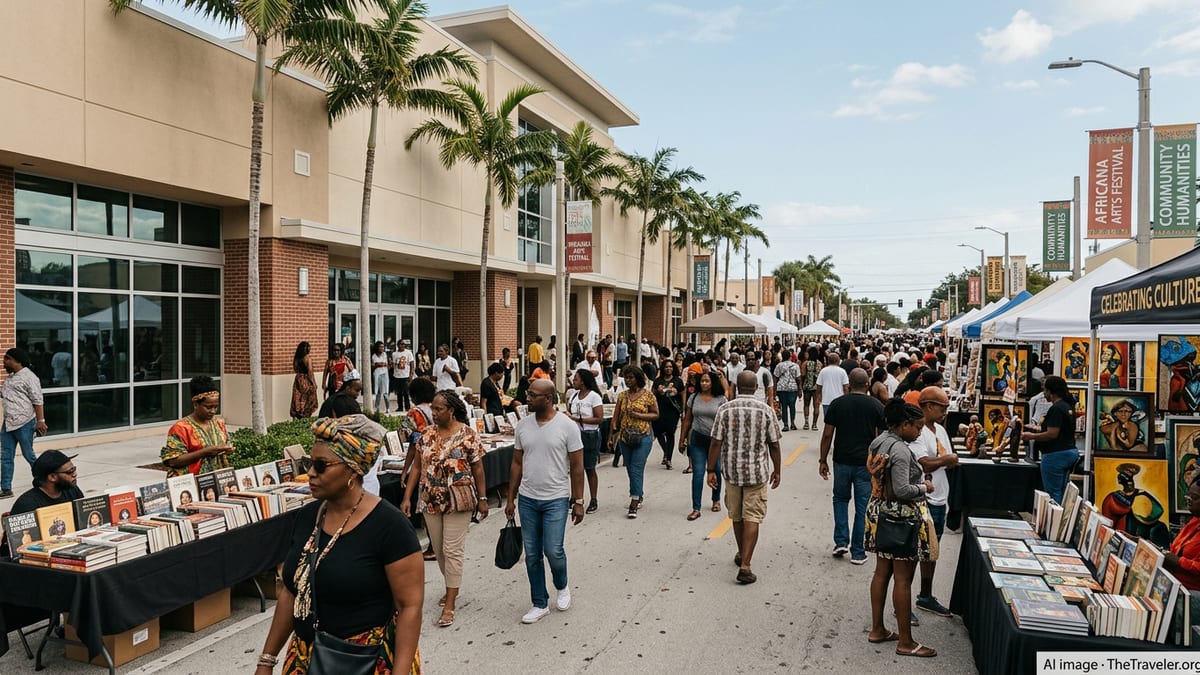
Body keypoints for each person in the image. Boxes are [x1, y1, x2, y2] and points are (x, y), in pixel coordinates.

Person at [257, 415, 423, 675]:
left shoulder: (390, 527)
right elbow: (292, 591)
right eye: (309, 463)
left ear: (352, 469)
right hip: (306, 657)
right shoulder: (307, 518)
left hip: (364, 660)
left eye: (321, 466)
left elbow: (409, 606)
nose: (310, 473)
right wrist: (267, 661)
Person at [400, 390, 488, 628]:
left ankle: (450, 602)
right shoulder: (426, 435)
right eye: (433, 409)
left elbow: (478, 468)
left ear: (451, 410)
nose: (434, 413)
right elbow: (417, 468)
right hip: (430, 499)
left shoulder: (468, 435)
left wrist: (482, 497)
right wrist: (407, 497)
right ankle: (452, 584)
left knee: (452, 549)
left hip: (459, 499)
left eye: (438, 409)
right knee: (439, 551)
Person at [505, 379, 585, 624]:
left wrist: (578, 499)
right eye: (528, 393)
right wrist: (510, 498)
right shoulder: (523, 426)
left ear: (548, 399)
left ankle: (562, 586)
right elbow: (517, 463)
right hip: (528, 498)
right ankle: (539, 602)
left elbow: (577, 465)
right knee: (532, 554)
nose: (527, 398)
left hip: (556, 498)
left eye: (532, 395)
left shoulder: (567, 426)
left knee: (553, 550)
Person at [864, 399, 937, 658]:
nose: (919, 432)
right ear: (904, 424)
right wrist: (925, 487)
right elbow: (903, 489)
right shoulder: (901, 450)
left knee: (881, 572)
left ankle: (877, 629)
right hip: (900, 517)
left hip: (879, 511)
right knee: (903, 578)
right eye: (917, 427)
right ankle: (906, 641)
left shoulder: (879, 441)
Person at [707, 371, 782, 585]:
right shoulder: (766, 410)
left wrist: (710, 469)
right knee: (753, 516)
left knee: (737, 515)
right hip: (757, 473)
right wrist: (777, 470)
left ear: (736, 387)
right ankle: (746, 565)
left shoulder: (725, 409)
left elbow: (715, 442)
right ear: (756, 386)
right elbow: (774, 444)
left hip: (731, 473)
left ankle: (741, 553)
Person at [818, 368, 885, 565]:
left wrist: (823, 459)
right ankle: (858, 551)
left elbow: (828, 434)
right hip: (866, 464)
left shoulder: (838, 404)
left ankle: (840, 541)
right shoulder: (876, 406)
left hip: (841, 461)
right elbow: (881, 438)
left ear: (848, 385)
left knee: (840, 499)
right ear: (867, 385)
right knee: (862, 506)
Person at [908, 386, 957, 618]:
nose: (945, 412)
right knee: (914, 553)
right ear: (928, 406)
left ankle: (925, 596)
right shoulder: (917, 431)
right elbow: (924, 463)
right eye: (942, 408)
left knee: (931, 552)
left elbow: (945, 457)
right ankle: (903, 604)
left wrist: (947, 459)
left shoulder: (938, 429)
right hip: (923, 499)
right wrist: (946, 459)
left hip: (939, 499)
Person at [607, 365, 659, 515]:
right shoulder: (622, 396)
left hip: (643, 436)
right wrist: (611, 436)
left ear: (638, 378)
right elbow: (615, 417)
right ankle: (639, 492)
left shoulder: (648, 395)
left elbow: (655, 414)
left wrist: (639, 415)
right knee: (629, 467)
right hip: (625, 437)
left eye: (631, 377)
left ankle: (634, 501)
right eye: (626, 378)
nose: (628, 380)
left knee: (636, 467)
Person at [1021, 376, 1080, 504]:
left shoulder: (1056, 408)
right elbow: (1060, 430)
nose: (1044, 393)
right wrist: (1036, 429)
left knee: (1053, 493)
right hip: (1068, 451)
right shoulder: (1067, 406)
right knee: (1062, 490)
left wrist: (1031, 436)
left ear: (1050, 391)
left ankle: (1054, 520)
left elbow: (1052, 434)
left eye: (1045, 390)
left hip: (1055, 454)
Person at [161, 376, 233, 477]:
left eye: (216, 407)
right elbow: (172, 461)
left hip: (216, 482)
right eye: (208, 407)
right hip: (190, 483)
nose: (213, 411)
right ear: (195, 404)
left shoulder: (218, 424)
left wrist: (228, 450)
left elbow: (227, 443)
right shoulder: (181, 428)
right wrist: (204, 452)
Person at [679, 371, 727, 521]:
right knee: (698, 473)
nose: (704, 384)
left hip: (715, 441)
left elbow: (726, 422)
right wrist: (682, 439)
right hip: (697, 439)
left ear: (713, 382)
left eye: (707, 381)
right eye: (702, 381)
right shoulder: (694, 398)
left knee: (716, 470)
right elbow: (687, 419)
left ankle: (716, 499)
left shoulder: (721, 399)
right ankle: (696, 508)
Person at [1, 348, 47, 498]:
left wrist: (40, 421)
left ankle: (43, 480)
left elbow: (38, 400)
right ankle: (6, 488)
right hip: (8, 424)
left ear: (18, 361)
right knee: (6, 456)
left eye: (7, 359)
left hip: (25, 423)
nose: (4, 361)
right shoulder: (10, 378)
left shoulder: (29, 377)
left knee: (29, 455)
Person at [567, 369, 604, 514]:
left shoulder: (594, 397)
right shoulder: (574, 396)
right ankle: (574, 496)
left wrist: (578, 419)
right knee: (575, 468)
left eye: (575, 379)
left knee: (589, 468)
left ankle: (593, 499)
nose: (573, 382)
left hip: (590, 435)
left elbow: (599, 418)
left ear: (582, 381)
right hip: (575, 435)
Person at [10, 450, 83, 515]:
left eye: (74, 469)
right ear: (52, 477)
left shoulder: (72, 490)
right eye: (70, 471)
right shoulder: (27, 504)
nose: (74, 474)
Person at [1165, 473, 1200, 590]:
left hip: (1192, 590)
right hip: (1175, 583)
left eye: (1194, 498)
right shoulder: (1195, 521)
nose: (1189, 501)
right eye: (1188, 496)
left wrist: (1179, 562)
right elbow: (1176, 548)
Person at [652, 360, 685, 471]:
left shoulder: (678, 381)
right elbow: (652, 394)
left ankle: (669, 459)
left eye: (670, 367)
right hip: (659, 410)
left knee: (670, 433)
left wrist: (683, 409)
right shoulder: (658, 381)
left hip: (672, 411)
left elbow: (682, 394)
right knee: (658, 432)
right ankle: (666, 451)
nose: (668, 369)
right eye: (666, 367)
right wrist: (658, 391)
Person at [815, 351, 849, 420]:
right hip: (840, 401)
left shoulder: (823, 371)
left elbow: (819, 387)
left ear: (828, 361)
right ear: (838, 361)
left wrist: (818, 399)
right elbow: (845, 387)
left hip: (827, 400)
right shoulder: (842, 371)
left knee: (828, 421)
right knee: (840, 421)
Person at [774, 349, 801, 431]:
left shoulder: (779, 365)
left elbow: (775, 378)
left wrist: (774, 389)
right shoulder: (795, 366)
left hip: (781, 388)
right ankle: (792, 423)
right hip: (793, 388)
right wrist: (800, 389)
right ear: (790, 356)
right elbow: (798, 378)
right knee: (792, 406)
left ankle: (785, 424)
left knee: (784, 406)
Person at [290, 341, 319, 419]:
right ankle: (305, 415)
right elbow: (310, 372)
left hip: (298, 379)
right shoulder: (308, 358)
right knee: (308, 399)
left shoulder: (296, 358)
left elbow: (295, 369)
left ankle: (298, 412)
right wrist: (313, 383)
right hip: (306, 380)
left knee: (298, 397)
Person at [799, 346, 822, 430]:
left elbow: (803, 375)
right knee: (816, 406)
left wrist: (801, 386)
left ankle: (806, 423)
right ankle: (814, 424)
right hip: (817, 387)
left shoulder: (805, 363)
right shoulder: (819, 364)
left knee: (806, 405)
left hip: (807, 386)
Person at [392, 340, 415, 411]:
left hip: (405, 375)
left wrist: (411, 375)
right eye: (401, 344)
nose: (403, 346)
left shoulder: (408, 353)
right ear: (398, 345)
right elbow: (393, 364)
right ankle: (400, 407)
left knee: (405, 393)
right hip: (397, 375)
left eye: (404, 344)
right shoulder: (394, 354)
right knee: (399, 393)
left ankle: (407, 407)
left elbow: (412, 364)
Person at [371, 341, 391, 414]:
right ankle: (377, 408)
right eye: (380, 347)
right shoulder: (374, 356)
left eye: (383, 347)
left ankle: (388, 408)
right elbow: (373, 365)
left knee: (386, 392)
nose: (382, 348)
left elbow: (386, 364)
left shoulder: (384, 354)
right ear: (377, 347)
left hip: (384, 374)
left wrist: (379, 364)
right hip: (377, 374)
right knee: (378, 392)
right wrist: (378, 364)